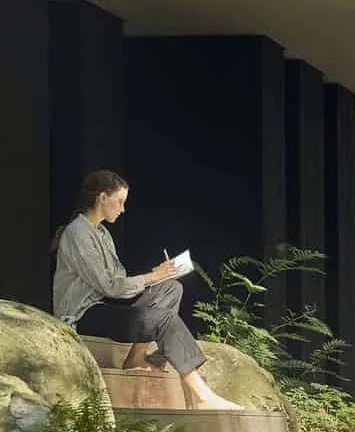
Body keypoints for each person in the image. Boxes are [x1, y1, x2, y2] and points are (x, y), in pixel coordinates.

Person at [53, 169, 242, 411]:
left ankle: (135, 358)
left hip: (102, 307)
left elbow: (119, 278)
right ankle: (202, 395)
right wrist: (152, 276)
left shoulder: (102, 234)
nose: (123, 209)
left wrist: (158, 275)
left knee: (170, 288)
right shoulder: (78, 233)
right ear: (102, 198)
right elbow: (110, 286)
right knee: (163, 319)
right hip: (81, 316)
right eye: (120, 202)